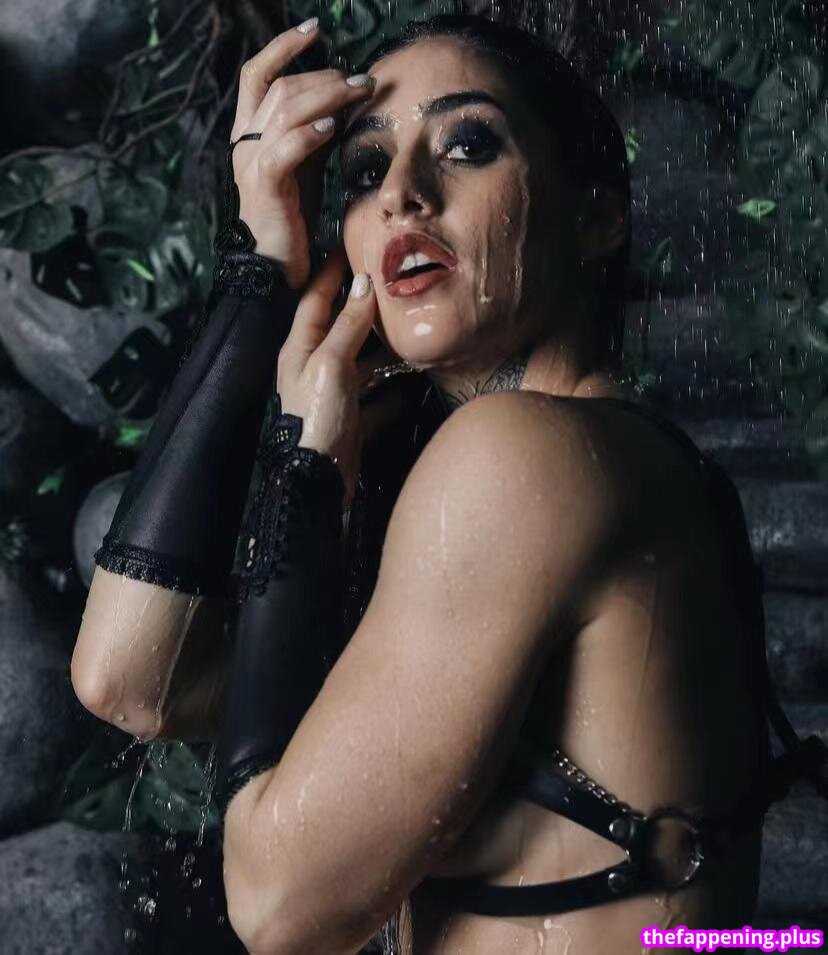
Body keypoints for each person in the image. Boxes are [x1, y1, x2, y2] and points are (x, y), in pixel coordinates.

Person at [71, 13, 780, 954]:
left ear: (595, 217)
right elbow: (131, 677)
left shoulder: (525, 458)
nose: (402, 193)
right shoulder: (569, 462)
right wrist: (262, 268)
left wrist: (301, 469)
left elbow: (278, 904)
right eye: (367, 169)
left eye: (468, 144)